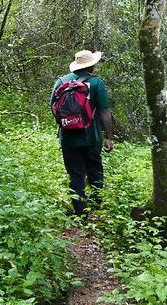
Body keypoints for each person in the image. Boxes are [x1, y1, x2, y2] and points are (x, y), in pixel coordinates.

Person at [50, 49, 113, 217]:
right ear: (91, 66)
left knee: (76, 174)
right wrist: (109, 137)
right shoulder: (96, 83)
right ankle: (96, 206)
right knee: (95, 169)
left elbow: (54, 108)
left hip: (68, 138)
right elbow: (104, 110)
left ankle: (80, 214)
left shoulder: (61, 81)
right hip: (91, 136)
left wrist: (66, 125)